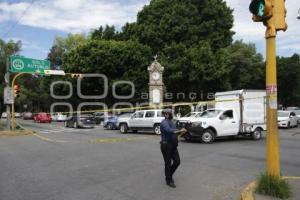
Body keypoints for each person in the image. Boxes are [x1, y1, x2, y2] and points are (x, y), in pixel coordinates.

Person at [160, 109, 187, 188]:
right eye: (169, 113)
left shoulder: (172, 121)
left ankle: (168, 174)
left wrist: (182, 132)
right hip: (166, 145)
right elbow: (169, 131)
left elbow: (176, 133)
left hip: (173, 145)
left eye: (171, 113)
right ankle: (168, 180)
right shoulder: (164, 122)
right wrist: (179, 130)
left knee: (177, 162)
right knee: (168, 163)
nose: (171, 114)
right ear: (165, 114)